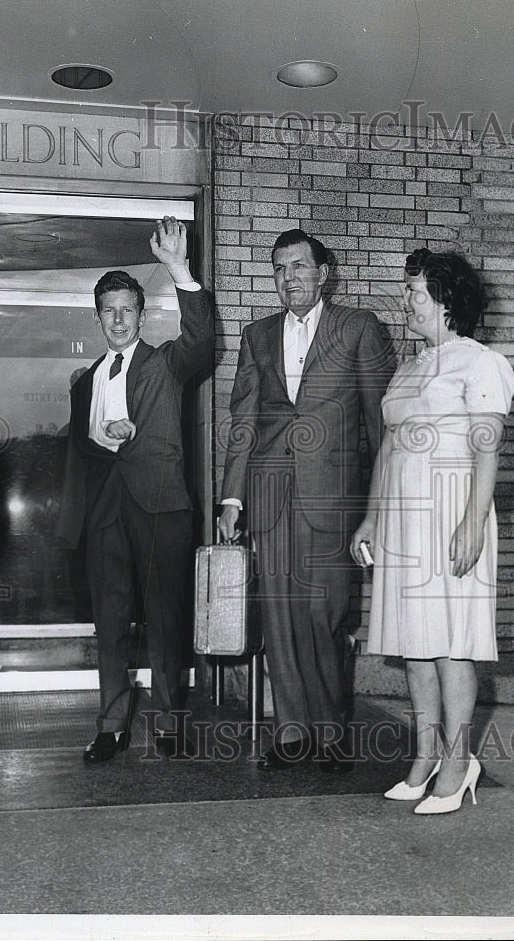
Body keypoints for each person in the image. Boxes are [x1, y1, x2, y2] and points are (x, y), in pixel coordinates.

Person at [351, 247, 514, 813]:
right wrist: (372, 517)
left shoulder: (481, 363)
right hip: (402, 517)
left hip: (451, 513)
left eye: (415, 292)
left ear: (446, 301)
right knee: (415, 646)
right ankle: (423, 757)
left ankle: (457, 761)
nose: (406, 300)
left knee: (450, 643)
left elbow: (487, 449)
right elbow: (389, 449)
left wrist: (473, 523)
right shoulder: (409, 367)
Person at [219, 229, 388, 772]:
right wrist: (232, 498)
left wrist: (377, 507)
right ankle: (291, 731)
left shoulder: (359, 328)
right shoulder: (258, 335)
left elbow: (378, 424)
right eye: (278, 268)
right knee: (278, 618)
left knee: (326, 615)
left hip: (332, 498)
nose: (287, 277)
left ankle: (333, 731)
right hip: (269, 496)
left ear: (324, 273)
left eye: (297, 266)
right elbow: (243, 420)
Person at [57, 217, 213, 763]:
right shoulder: (88, 379)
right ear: (97, 317)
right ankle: (112, 724)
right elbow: (84, 451)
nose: (118, 319)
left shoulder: (165, 363)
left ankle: (169, 722)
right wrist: (105, 441)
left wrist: (178, 270)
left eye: (128, 309)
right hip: (105, 516)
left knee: (167, 623)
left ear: (141, 315)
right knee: (110, 626)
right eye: (109, 311)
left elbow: (202, 341)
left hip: (160, 508)